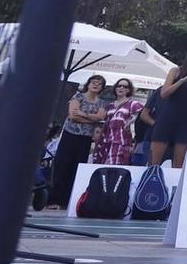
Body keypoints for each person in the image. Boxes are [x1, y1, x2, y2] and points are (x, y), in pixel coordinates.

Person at [47, 76, 106, 209]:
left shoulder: (101, 102)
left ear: (102, 87)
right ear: (88, 84)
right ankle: (54, 199)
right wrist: (92, 119)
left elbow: (101, 118)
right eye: (93, 82)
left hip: (85, 138)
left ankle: (67, 200)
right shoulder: (78, 97)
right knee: (62, 165)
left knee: (76, 167)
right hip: (70, 135)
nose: (96, 85)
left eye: (99, 83)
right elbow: (73, 116)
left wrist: (83, 114)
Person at [96, 78, 145, 165]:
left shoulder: (134, 104)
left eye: (125, 86)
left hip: (123, 144)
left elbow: (139, 124)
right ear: (115, 88)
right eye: (119, 86)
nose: (121, 88)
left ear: (128, 90)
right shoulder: (109, 106)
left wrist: (134, 144)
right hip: (106, 144)